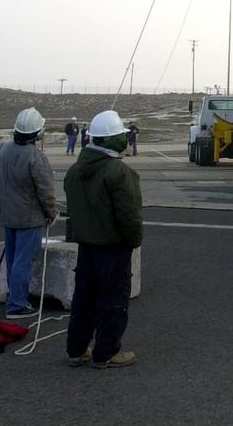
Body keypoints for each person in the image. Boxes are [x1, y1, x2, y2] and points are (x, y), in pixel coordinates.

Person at [64, 110, 143, 369]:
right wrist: (133, 241)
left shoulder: (75, 171)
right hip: (113, 248)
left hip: (86, 246)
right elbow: (129, 216)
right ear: (108, 140)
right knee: (113, 301)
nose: (124, 138)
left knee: (83, 299)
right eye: (120, 135)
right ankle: (107, 352)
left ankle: (77, 350)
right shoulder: (119, 172)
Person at [0, 108, 58, 319]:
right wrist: (51, 213)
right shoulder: (35, 157)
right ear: (38, 133)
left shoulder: (2, 150)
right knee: (23, 261)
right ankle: (17, 305)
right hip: (29, 218)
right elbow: (46, 192)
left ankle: (15, 296)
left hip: (8, 215)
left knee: (13, 259)